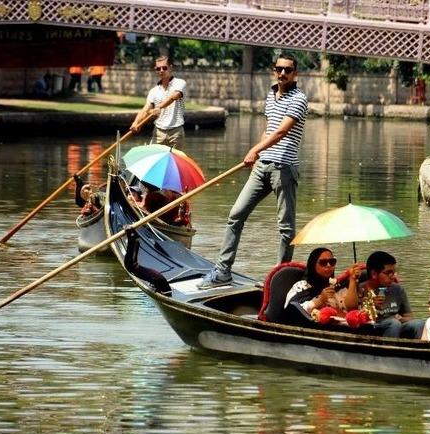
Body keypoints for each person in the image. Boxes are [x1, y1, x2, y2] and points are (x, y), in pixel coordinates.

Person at [197, 53, 308, 289]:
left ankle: (279, 280)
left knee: (286, 228)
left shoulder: (299, 99)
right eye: (279, 69)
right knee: (235, 215)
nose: (282, 73)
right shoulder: (271, 94)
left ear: (295, 73)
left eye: (288, 70)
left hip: (284, 168)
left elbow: (281, 133)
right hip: (263, 166)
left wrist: (253, 149)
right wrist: (258, 156)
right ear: (274, 70)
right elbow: (268, 130)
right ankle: (223, 271)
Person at [284, 248, 368, 329]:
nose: (328, 265)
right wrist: (320, 299)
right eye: (323, 262)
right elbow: (293, 311)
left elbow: (351, 308)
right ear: (313, 264)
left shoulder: (335, 285)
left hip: (339, 328)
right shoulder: (302, 285)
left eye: (332, 262)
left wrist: (353, 280)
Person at [359, 251, 421, 338]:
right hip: (374, 327)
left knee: (419, 324)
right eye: (388, 273)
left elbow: (409, 316)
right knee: (393, 324)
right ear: (374, 274)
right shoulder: (361, 290)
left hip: (397, 324)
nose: (392, 276)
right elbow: (354, 316)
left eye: (393, 272)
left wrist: (400, 319)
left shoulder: (398, 289)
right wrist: (371, 306)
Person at [131, 57, 187, 149]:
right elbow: (146, 109)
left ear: (170, 67)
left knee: (174, 161)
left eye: (164, 68)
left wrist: (159, 107)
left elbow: (174, 96)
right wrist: (136, 122)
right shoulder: (153, 91)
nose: (161, 70)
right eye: (158, 68)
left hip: (175, 132)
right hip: (158, 132)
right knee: (152, 158)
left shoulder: (180, 83)